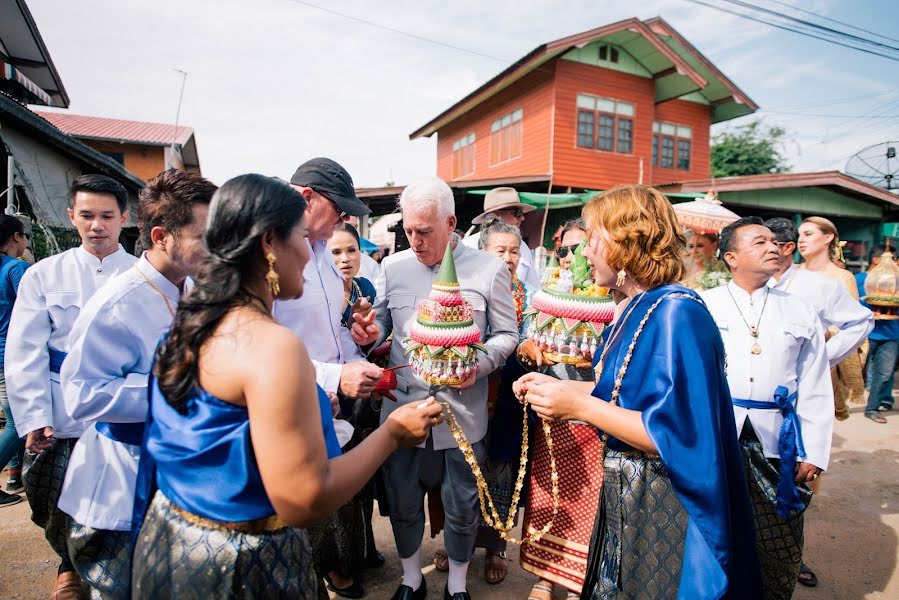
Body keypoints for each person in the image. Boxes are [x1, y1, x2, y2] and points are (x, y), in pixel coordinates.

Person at [130, 174, 443, 599]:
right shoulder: (273, 346)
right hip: (242, 564)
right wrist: (392, 434)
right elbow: (304, 499)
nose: (310, 254)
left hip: (171, 545)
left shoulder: (192, 319)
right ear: (269, 246)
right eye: (301, 237)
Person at [515, 185, 762, 599]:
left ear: (627, 241)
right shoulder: (636, 307)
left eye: (593, 239)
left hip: (664, 504)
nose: (584, 254)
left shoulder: (676, 314)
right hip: (628, 494)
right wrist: (564, 389)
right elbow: (628, 392)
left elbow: (674, 435)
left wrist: (578, 403)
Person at [55, 170, 216, 598]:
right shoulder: (116, 303)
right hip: (124, 479)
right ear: (161, 236)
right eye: (204, 235)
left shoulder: (196, 288)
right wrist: (172, 389)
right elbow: (80, 395)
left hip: (179, 469)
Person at [372, 177, 518, 600]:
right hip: (403, 408)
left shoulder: (489, 269)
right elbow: (384, 324)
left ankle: (456, 584)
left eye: (425, 231)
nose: (414, 241)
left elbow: (507, 334)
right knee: (402, 499)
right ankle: (411, 579)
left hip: (463, 412)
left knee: (461, 505)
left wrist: (480, 363)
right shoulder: (392, 267)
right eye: (408, 231)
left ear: (451, 223)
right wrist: (370, 332)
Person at [6, 174, 135, 599]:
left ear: (124, 218)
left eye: (106, 216)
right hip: (62, 408)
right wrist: (34, 416)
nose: (96, 225)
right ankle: (69, 560)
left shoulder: (143, 276)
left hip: (122, 404)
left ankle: (92, 573)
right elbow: (25, 351)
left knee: (118, 498)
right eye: (87, 215)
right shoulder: (43, 275)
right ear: (71, 217)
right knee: (53, 498)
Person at [702, 217, 833, 599]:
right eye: (759, 242)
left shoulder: (799, 310)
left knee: (778, 535)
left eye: (774, 242)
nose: (773, 247)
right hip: (717, 433)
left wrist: (815, 450)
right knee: (712, 532)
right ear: (730, 257)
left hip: (777, 438)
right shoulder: (704, 305)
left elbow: (814, 384)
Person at [273, 158, 383, 598]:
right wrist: (335, 376)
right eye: (339, 209)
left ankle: (347, 560)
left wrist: (357, 330)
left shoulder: (320, 254)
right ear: (307, 198)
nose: (344, 220)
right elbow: (266, 343)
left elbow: (327, 328)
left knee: (346, 491)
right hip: (298, 396)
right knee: (313, 499)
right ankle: (328, 569)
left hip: (339, 391)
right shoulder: (277, 253)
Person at [431, 220, 528, 586]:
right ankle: (457, 542)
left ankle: (495, 547)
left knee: (499, 473)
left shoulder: (532, 296)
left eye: (514, 250)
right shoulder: (461, 286)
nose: (507, 258)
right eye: (499, 250)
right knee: (456, 476)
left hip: (507, 397)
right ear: (481, 254)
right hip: (466, 396)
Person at [516, 217, 603, 600]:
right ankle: (545, 576)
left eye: (579, 248)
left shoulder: (609, 299)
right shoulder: (547, 295)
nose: (570, 257)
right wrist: (527, 350)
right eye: (564, 250)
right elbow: (524, 341)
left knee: (590, 500)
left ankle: (577, 579)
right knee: (548, 495)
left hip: (596, 416)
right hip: (551, 417)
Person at [321, 221, 383, 597]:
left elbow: (367, 346)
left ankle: (362, 549)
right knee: (336, 480)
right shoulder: (317, 293)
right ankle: (337, 567)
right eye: (335, 252)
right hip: (327, 390)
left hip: (359, 395)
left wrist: (373, 338)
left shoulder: (366, 289)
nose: (345, 259)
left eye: (351, 250)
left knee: (361, 480)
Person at [798, 216, 865, 419]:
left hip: (821, 360)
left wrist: (825, 334)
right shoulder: (791, 274)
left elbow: (852, 323)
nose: (801, 240)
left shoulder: (842, 277)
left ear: (828, 237)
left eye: (808, 234)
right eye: (799, 235)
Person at [0, 215, 30, 506]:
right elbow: (36, 309)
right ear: (17, 237)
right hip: (11, 356)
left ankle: (14, 475)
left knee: (13, 416)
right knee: (20, 422)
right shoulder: (16, 269)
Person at [463, 187, 540, 291]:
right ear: (497, 214)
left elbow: (533, 289)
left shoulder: (523, 248)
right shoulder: (466, 247)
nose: (522, 218)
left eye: (514, 252)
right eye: (517, 213)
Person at [856, 245, 899, 423]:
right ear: (876, 260)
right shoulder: (858, 279)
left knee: (884, 374)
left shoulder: (896, 279)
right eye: (893, 259)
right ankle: (834, 404)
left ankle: (872, 408)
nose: (895, 262)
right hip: (864, 333)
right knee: (851, 370)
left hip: (890, 335)